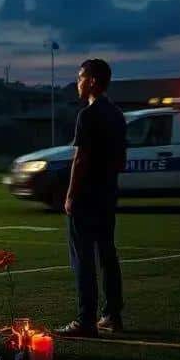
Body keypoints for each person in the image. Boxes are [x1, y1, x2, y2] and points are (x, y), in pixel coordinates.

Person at [55, 59, 127, 338]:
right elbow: (121, 160)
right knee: (108, 254)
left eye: (81, 77)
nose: (78, 83)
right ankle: (112, 315)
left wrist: (71, 195)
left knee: (83, 258)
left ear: (93, 81)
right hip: (108, 193)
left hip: (87, 195)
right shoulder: (117, 114)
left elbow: (81, 158)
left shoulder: (89, 115)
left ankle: (85, 319)